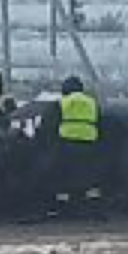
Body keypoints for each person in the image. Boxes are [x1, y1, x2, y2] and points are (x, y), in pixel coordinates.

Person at [32, 75, 102, 217]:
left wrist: (40, 140)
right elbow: (101, 123)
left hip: (67, 144)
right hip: (89, 145)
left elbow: (48, 125)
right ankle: (92, 207)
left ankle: (61, 207)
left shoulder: (62, 103)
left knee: (62, 176)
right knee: (88, 176)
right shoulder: (92, 102)